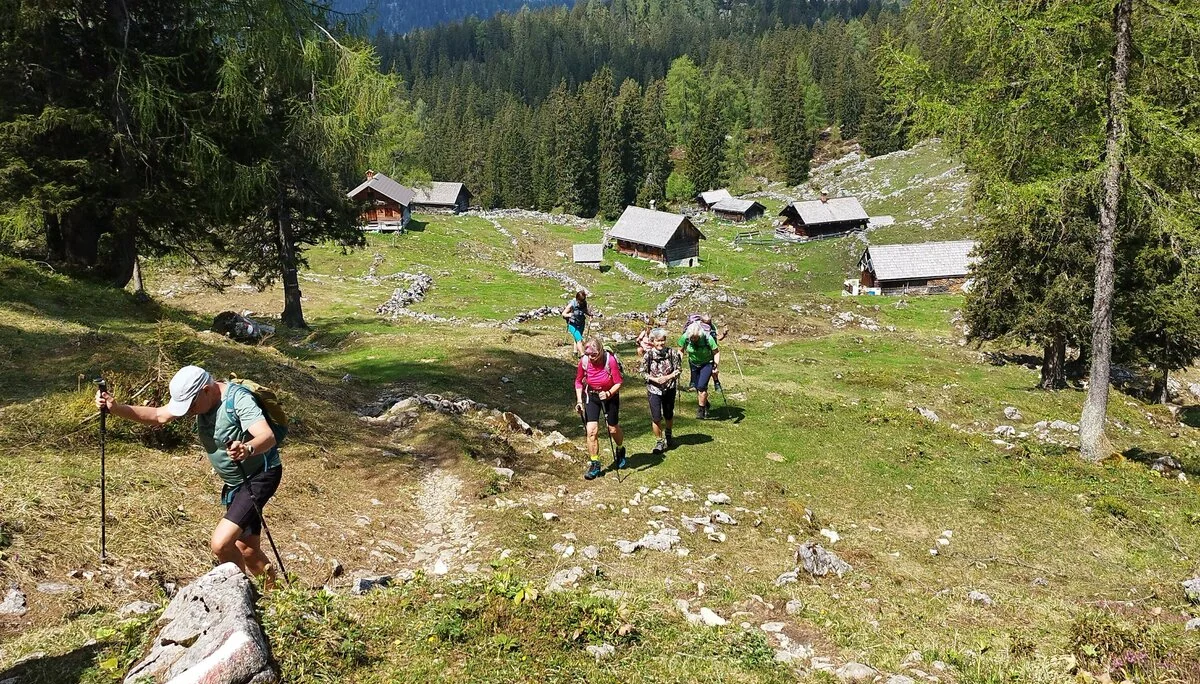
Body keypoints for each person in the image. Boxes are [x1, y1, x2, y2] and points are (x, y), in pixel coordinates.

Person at [96, 365, 283, 584]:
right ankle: (277, 596)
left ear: (206, 390)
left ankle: (238, 594)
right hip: (235, 483)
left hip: (260, 475)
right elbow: (158, 415)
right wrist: (116, 408)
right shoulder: (202, 401)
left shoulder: (239, 400)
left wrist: (247, 448)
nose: (188, 411)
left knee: (221, 544)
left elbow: (267, 436)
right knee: (247, 549)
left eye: (191, 404)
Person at [574, 337, 626, 480]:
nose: (591, 357)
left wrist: (608, 393)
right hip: (592, 396)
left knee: (613, 429)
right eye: (588, 354)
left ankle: (620, 450)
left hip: (610, 396)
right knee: (591, 431)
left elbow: (618, 382)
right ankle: (595, 463)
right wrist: (579, 401)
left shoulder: (610, 360)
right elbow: (578, 381)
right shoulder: (584, 361)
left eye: (594, 355)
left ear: (601, 351)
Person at [640, 328, 682, 453]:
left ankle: (668, 435)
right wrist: (654, 379)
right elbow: (642, 372)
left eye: (662, 340)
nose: (660, 343)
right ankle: (659, 441)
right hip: (653, 389)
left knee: (668, 414)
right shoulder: (648, 355)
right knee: (656, 417)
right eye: (658, 341)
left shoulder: (672, 353)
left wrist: (667, 378)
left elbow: (679, 370)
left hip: (669, 388)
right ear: (652, 341)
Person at [679, 321, 721, 419]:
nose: (693, 339)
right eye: (692, 338)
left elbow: (716, 352)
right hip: (693, 363)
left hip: (707, 364)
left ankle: (701, 411)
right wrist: (678, 362)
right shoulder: (685, 337)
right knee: (697, 386)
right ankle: (706, 404)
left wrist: (715, 365)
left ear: (700, 334)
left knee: (702, 387)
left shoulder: (707, 338)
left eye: (696, 337)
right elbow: (680, 350)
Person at [562, 290, 594, 357]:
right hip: (572, 324)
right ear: (577, 299)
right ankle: (583, 355)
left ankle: (575, 352)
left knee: (577, 338)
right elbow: (563, 313)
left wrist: (590, 315)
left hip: (581, 323)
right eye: (581, 301)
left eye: (583, 300)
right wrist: (569, 315)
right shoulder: (572, 304)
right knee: (579, 339)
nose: (582, 302)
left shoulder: (584, 303)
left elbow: (585, 310)